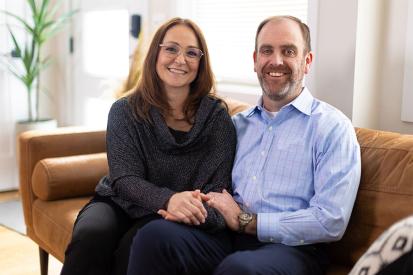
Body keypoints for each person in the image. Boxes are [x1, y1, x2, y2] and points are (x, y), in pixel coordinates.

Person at [61, 17, 236, 275]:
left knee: (133, 248)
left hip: (171, 216)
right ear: (156, 54)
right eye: (171, 49)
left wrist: (192, 211)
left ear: (201, 63)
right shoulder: (124, 110)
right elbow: (124, 178)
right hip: (119, 202)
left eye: (191, 53)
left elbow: (217, 191)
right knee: (91, 236)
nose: (180, 59)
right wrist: (169, 199)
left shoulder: (217, 119)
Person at [202, 15, 362, 274]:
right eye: (267, 51)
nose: (276, 61)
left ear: (307, 61)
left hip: (294, 249)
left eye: (288, 51)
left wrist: (247, 222)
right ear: (255, 61)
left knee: (240, 269)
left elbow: (331, 220)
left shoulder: (332, 128)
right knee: (156, 236)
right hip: (227, 236)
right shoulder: (235, 125)